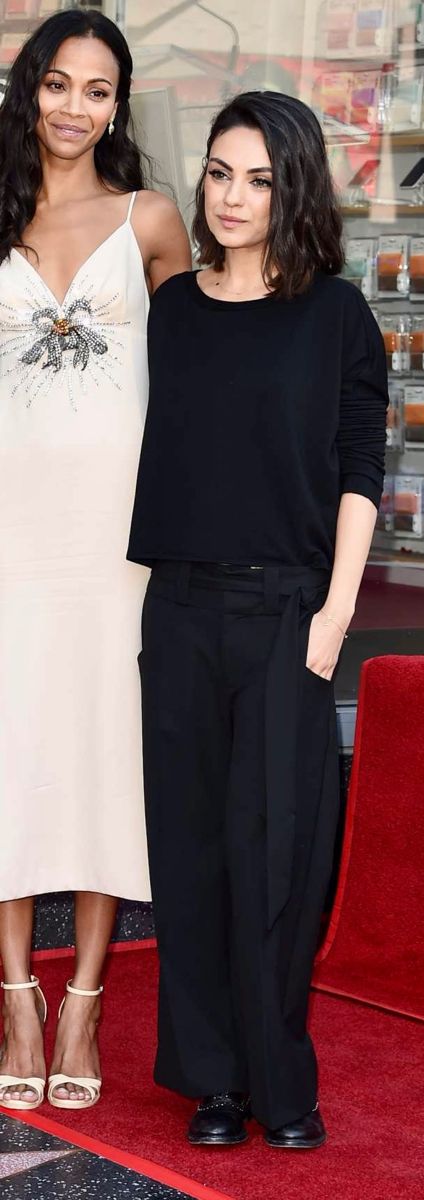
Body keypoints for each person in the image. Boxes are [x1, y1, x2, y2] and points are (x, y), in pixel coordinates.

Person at [128, 90, 387, 1149]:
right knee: (188, 855)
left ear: (295, 189)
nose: (233, 197)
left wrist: (331, 622)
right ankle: (213, 1083)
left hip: (287, 612)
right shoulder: (174, 311)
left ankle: (281, 1084)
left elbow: (361, 475)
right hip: (180, 606)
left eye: (259, 178)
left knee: (276, 856)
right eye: (220, 174)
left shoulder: (336, 314)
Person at [0, 8, 190, 1113]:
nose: (75, 108)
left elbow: (206, 374)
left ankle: (85, 997)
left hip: (118, 544)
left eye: (99, 89)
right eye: (58, 84)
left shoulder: (152, 218)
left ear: (121, 104)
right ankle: (15, 990)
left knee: (103, 755)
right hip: (12, 537)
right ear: (29, 89)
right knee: (12, 753)